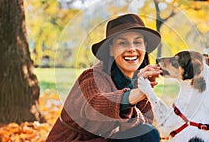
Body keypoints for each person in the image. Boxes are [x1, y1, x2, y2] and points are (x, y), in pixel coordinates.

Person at [46, 14, 162, 142]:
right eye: (123, 43)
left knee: (148, 132)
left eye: (137, 42)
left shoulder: (138, 80)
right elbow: (95, 105)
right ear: (111, 50)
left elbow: (143, 125)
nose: (131, 49)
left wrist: (141, 90)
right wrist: (134, 95)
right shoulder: (92, 78)